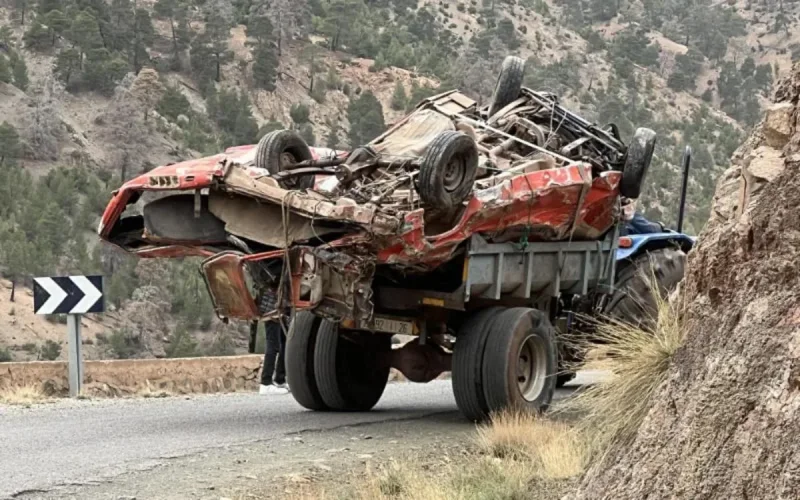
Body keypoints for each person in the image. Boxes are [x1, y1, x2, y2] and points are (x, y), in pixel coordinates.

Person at [259, 318, 289, 395]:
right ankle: (266, 383)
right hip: (271, 311)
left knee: (285, 340)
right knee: (272, 344)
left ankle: (280, 380)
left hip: (278, 313)